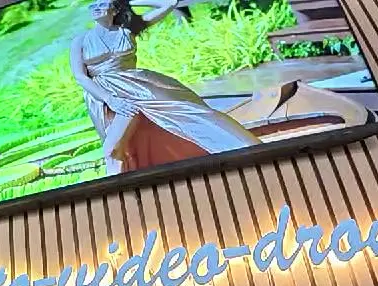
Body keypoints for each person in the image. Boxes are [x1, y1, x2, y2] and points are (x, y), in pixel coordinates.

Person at [70, 0, 260, 175]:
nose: (96, 8)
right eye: (93, 5)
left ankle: (245, 151)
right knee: (116, 149)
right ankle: (118, 190)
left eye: (102, 3)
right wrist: (109, 99)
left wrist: (130, 1)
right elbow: (80, 76)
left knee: (115, 148)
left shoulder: (128, 30)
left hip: (137, 89)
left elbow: (169, 3)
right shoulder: (81, 40)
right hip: (104, 95)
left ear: (115, 8)